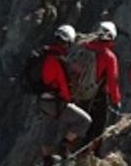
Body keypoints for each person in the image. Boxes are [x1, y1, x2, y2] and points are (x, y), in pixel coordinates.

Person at [36, 24, 91, 163]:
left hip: (43, 101)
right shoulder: (58, 60)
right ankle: (64, 146)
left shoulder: (44, 54)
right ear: (67, 42)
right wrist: (70, 100)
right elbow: (64, 85)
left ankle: (47, 160)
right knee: (84, 121)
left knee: (47, 132)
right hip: (57, 102)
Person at [76, 21, 122, 157]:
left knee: (81, 123)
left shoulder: (85, 47)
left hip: (79, 93)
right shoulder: (109, 56)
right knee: (97, 127)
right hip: (98, 96)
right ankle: (92, 155)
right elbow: (112, 81)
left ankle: (76, 150)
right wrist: (116, 100)